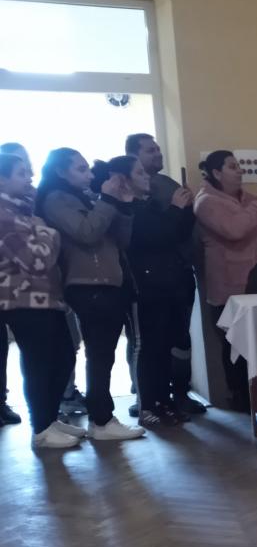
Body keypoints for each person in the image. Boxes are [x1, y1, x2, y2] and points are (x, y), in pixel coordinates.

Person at [36, 151, 146, 440]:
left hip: (109, 282)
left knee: (103, 354)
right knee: (99, 354)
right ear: (61, 172)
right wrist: (107, 199)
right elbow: (87, 233)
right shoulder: (57, 200)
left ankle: (100, 418)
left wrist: (123, 206)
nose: (89, 175)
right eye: (81, 169)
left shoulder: (86, 198)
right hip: (87, 284)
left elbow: (120, 241)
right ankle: (101, 420)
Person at [0, 153, 80, 449]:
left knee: (64, 356)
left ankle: (50, 417)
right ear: (2, 180)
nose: (30, 178)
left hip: (46, 298)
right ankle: (42, 428)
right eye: (21, 173)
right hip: (23, 301)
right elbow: (36, 261)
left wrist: (38, 227)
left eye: (29, 171)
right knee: (40, 362)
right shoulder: (4, 215)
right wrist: (48, 232)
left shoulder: (23, 211)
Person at [194, 151, 257, 409]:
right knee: (236, 346)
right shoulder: (206, 201)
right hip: (230, 287)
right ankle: (241, 398)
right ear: (216, 173)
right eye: (233, 167)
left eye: (239, 166)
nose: (240, 170)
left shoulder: (250, 199)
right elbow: (234, 230)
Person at [126, 133, 206, 416]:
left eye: (158, 149)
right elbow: (154, 236)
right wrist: (175, 208)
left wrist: (187, 209)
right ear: (134, 158)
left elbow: (178, 232)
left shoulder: (165, 184)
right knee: (149, 343)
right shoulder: (130, 199)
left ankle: (178, 395)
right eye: (150, 150)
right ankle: (147, 400)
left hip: (177, 274)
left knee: (179, 338)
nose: (158, 154)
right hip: (148, 280)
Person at [0, 141, 35, 426]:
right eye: (20, 171)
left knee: (11, 347)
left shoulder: (24, 203)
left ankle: (2, 401)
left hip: (17, 288)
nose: (28, 176)